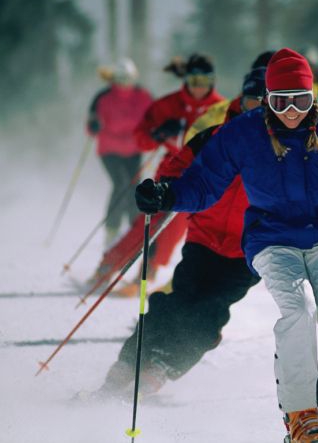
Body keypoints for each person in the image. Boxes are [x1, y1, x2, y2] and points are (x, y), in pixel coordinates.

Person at [134, 48, 318, 442]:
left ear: (313, 96)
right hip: (271, 238)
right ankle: (301, 416)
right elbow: (204, 183)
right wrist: (167, 195)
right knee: (297, 310)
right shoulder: (243, 132)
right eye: (279, 101)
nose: (290, 111)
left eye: (300, 100)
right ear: (267, 98)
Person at [95, 66, 269, 400]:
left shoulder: (282, 149)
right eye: (252, 100)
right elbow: (178, 165)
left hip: (247, 250)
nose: (258, 110)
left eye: (266, 103)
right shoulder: (216, 135)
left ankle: (162, 368)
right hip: (203, 239)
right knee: (176, 303)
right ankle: (129, 364)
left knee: (208, 313)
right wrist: (160, 190)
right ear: (241, 101)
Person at [87, 54, 226, 294]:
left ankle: (147, 272)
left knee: (173, 230)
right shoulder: (168, 105)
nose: (199, 87)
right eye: (194, 80)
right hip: (171, 171)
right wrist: (158, 133)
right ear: (186, 80)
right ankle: (108, 265)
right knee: (147, 223)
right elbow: (141, 140)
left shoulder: (221, 108)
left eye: (205, 80)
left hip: (201, 178)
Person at [86, 58, 153, 247]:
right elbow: (91, 125)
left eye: (129, 78)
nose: (125, 83)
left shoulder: (143, 96)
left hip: (133, 149)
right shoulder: (103, 97)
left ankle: (134, 231)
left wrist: (158, 130)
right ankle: (112, 229)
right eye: (121, 78)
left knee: (134, 187)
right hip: (110, 149)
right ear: (114, 79)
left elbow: (154, 117)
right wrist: (94, 125)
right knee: (121, 183)